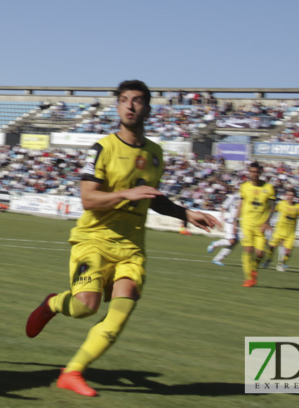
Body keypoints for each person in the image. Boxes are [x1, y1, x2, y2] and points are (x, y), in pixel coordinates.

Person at [24, 80, 219, 397]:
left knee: (118, 317)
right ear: (117, 107)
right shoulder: (102, 148)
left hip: (131, 251)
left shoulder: (155, 154)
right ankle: (53, 303)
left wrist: (186, 213)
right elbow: (89, 199)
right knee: (86, 306)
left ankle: (72, 371)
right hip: (93, 241)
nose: (130, 105)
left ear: (147, 108)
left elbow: (152, 197)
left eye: (138, 100)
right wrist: (127, 193)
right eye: (124, 100)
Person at [238, 161, 276, 287]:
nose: (254, 174)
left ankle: (254, 269)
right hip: (247, 223)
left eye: (256, 172)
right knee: (248, 249)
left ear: (260, 173)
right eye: (252, 171)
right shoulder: (244, 187)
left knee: (260, 254)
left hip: (260, 225)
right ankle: (249, 278)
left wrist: (267, 222)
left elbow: (272, 207)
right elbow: (242, 203)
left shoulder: (268, 188)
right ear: (249, 172)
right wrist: (235, 220)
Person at [264, 189, 299, 271]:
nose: (290, 197)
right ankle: (269, 259)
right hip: (279, 231)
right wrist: (267, 222)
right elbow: (273, 211)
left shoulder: (298, 207)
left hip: (290, 233)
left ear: (294, 197)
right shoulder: (281, 204)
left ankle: (281, 264)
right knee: (271, 247)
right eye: (289, 195)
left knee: (288, 252)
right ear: (286, 195)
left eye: (292, 195)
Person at [207, 193, 240, 265]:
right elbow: (223, 207)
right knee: (231, 241)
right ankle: (215, 244)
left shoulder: (249, 196)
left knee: (234, 242)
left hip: (240, 223)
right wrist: (221, 220)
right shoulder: (235, 196)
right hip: (232, 222)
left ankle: (217, 259)